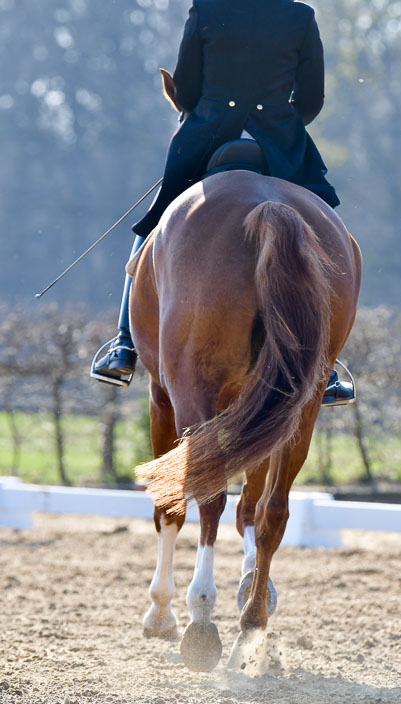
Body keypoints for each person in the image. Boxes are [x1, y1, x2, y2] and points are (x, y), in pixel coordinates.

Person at [91, 0, 355, 405]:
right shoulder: (300, 16)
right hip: (280, 145)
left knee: (154, 228)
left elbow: (189, 89)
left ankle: (125, 346)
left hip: (208, 138)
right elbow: (312, 100)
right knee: (327, 236)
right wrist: (278, 122)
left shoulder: (207, 10)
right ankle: (327, 366)